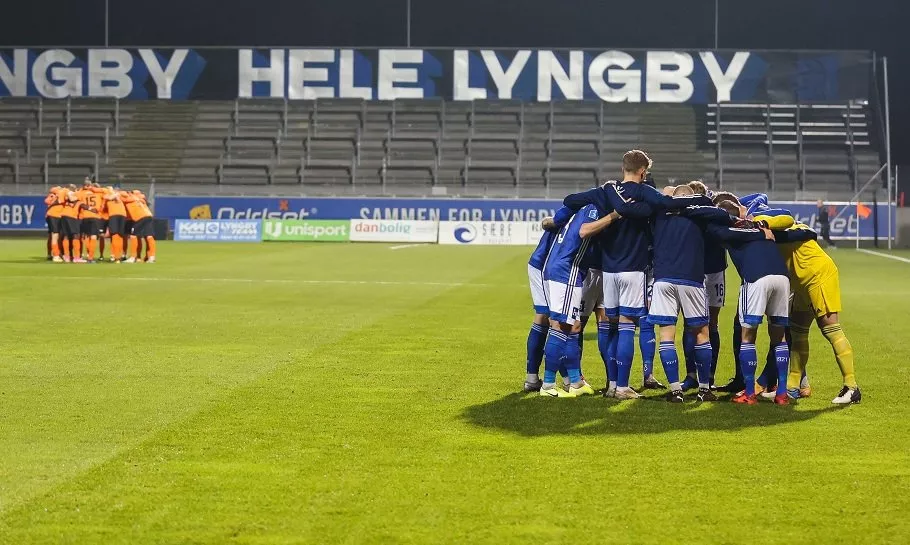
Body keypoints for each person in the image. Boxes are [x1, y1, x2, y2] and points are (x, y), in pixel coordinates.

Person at [707, 201, 791, 405]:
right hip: (782, 277)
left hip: (756, 278)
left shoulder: (726, 230)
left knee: (748, 336)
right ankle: (781, 393)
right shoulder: (762, 226)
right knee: (779, 337)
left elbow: (717, 233)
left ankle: (750, 392)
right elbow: (786, 216)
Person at [772, 222, 861, 404]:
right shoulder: (782, 229)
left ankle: (852, 388)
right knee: (798, 331)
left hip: (819, 277)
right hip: (802, 282)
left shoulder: (779, 228)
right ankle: (793, 387)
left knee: (831, 329)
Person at [539, 204, 620, 397]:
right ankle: (548, 385)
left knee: (573, 326)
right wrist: (614, 216)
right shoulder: (594, 210)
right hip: (567, 271)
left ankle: (576, 382)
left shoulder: (578, 209)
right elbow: (584, 231)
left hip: (565, 270)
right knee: (561, 327)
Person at [524, 208, 572, 392]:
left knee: (544, 317)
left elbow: (547, 222)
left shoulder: (574, 209)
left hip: (542, 263)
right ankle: (567, 380)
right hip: (545, 266)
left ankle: (532, 379)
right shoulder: (586, 213)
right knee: (555, 320)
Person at [122, 190, 156, 263]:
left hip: (140, 217)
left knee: (133, 236)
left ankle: (133, 257)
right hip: (148, 216)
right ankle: (152, 257)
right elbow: (142, 196)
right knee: (149, 236)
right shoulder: (140, 199)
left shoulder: (129, 199)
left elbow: (120, 196)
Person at [59, 185, 84, 263]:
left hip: (64, 215)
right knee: (76, 235)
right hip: (72, 216)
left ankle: (66, 257)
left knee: (66, 235)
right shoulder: (76, 194)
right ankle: (76, 257)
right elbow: (73, 199)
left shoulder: (64, 194)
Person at [104, 186, 128, 262]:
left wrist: (115, 193)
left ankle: (117, 255)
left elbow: (124, 195)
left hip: (119, 215)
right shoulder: (107, 195)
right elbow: (109, 198)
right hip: (115, 215)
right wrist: (114, 194)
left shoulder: (120, 194)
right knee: (115, 235)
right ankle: (115, 255)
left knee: (118, 235)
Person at [44, 186, 65, 262]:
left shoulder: (51, 195)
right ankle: (56, 255)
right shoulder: (60, 194)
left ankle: (52, 253)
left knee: (53, 235)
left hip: (52, 216)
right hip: (55, 216)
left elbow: (46, 201)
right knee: (55, 235)